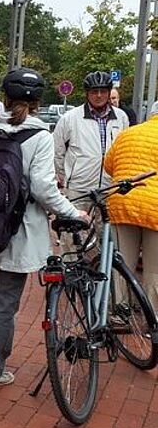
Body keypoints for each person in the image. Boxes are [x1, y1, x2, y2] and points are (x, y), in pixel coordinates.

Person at [0, 68, 88, 387]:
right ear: (37, 102)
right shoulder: (40, 136)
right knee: (5, 300)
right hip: (20, 230)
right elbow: (45, 189)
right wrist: (73, 212)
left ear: (5, 97)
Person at [103, 113, 158, 310]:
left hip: (122, 202)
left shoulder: (128, 133)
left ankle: (120, 311)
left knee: (121, 263)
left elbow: (108, 165)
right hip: (155, 210)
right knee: (155, 270)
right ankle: (154, 320)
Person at [54, 71, 129, 198]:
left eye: (103, 91)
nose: (99, 96)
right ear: (87, 94)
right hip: (78, 189)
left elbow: (124, 150)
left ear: (109, 92)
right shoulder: (70, 118)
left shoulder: (121, 117)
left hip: (110, 188)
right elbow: (57, 150)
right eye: (94, 92)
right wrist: (63, 176)